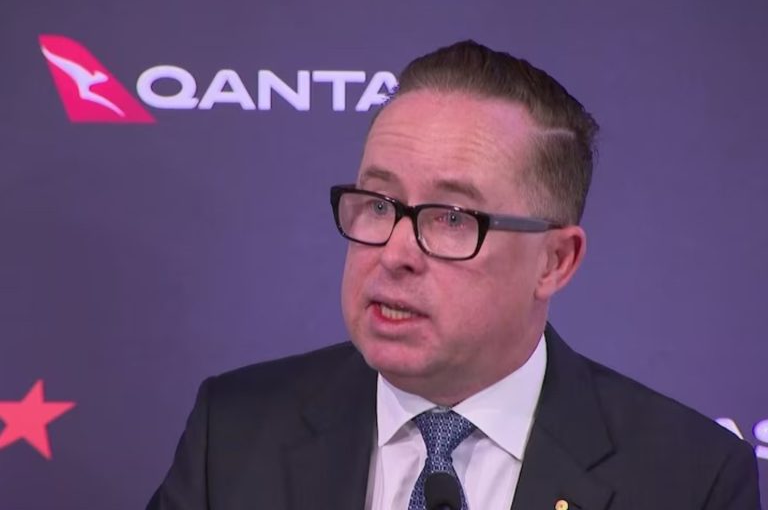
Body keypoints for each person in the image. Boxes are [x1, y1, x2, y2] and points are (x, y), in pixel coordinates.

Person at [147, 40, 761, 510]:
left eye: (450, 218)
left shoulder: (690, 477)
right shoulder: (231, 434)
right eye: (379, 204)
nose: (394, 252)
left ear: (555, 261)